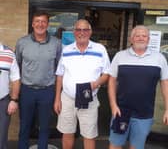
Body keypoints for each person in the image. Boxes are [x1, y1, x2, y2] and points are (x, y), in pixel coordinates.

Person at [108, 25, 168, 149]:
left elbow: (165, 83)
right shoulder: (120, 56)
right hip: (121, 112)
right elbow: (112, 81)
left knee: (136, 146)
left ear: (148, 39)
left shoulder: (159, 59)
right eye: (137, 35)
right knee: (115, 145)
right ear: (131, 39)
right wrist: (113, 105)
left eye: (144, 35)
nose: (141, 38)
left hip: (144, 114)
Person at [54, 19, 110, 149]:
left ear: (90, 32)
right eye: (78, 30)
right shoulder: (66, 50)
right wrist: (57, 98)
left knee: (89, 134)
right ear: (74, 32)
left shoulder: (100, 49)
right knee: (67, 132)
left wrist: (95, 84)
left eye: (85, 30)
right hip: (67, 99)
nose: (81, 33)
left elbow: (107, 73)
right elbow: (60, 75)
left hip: (88, 99)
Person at [15, 10, 62, 149]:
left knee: (44, 126)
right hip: (27, 90)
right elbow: (17, 66)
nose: (40, 24)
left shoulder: (56, 43)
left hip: (47, 91)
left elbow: (59, 68)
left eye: (43, 21)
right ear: (32, 24)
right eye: (37, 21)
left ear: (47, 24)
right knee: (25, 126)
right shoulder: (22, 42)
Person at [0, 43, 20, 149]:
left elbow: (16, 78)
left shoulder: (8, 53)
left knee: (1, 138)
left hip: (2, 102)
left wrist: (13, 100)